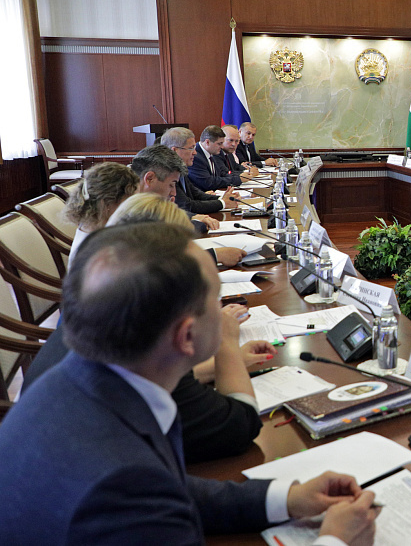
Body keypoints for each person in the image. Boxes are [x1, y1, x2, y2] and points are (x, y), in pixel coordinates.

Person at [0, 223, 378, 544]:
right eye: (217, 298)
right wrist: (334, 540)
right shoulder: (118, 489)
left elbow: (166, 487)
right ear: (187, 336)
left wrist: (285, 498)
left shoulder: (75, 376)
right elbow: (141, 492)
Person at [23, 195, 267, 462]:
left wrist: (221, 363)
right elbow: (239, 426)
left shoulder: (101, 319)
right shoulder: (152, 356)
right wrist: (227, 344)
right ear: (186, 334)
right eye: (214, 299)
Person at [130, 146, 244, 265]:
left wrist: (192, 218)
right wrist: (214, 255)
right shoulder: (128, 209)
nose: (174, 193)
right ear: (149, 179)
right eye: (171, 185)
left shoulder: (144, 202)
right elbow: (157, 260)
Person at [62, 162, 138, 266]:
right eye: (129, 200)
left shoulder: (97, 226)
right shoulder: (95, 251)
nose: (131, 207)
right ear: (107, 203)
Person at [161, 127, 236, 217]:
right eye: (191, 148)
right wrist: (222, 203)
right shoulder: (166, 173)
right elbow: (187, 205)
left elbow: (196, 194)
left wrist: (223, 198)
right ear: (174, 150)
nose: (195, 153)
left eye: (194, 148)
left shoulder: (180, 168)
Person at [190, 125, 249, 191]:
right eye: (219, 143)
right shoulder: (195, 156)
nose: (222, 147)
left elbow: (222, 173)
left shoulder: (212, 152)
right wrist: (237, 179)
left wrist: (241, 177)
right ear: (207, 142)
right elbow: (208, 182)